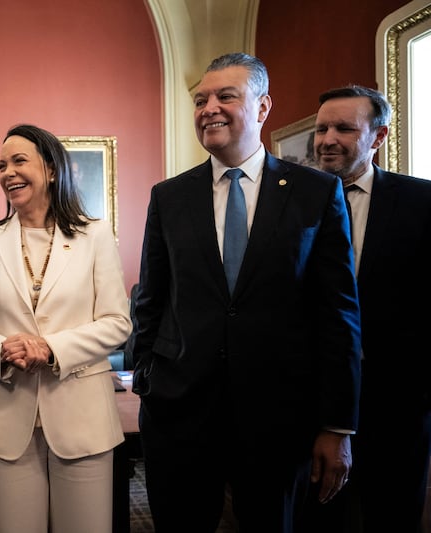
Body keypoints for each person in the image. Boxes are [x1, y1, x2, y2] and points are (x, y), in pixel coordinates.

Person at [131, 52, 362, 533]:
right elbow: (151, 301)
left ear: (261, 107)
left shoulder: (314, 192)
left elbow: (337, 314)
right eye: (200, 99)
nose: (209, 107)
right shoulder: (169, 197)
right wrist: (148, 379)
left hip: (280, 419)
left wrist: (337, 425)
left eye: (225, 96)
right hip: (180, 414)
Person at [0, 123, 132, 533]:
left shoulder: (95, 236)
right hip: (7, 418)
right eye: (2, 165)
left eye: (20, 161)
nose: (7, 173)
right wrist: (3, 348)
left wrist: (51, 349)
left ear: (51, 169)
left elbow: (117, 323)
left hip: (83, 418)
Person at [309, 84, 431, 533]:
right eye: (322, 128)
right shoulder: (289, 200)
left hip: (397, 409)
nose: (327, 139)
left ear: (377, 137)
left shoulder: (421, 202)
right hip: (311, 408)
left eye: (344, 128)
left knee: (393, 518)